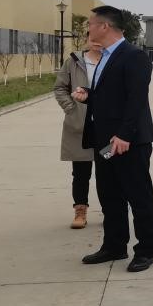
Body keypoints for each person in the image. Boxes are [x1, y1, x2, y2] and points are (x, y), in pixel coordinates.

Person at [75, 6, 153, 272]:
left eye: (90, 24)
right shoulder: (105, 56)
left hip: (128, 142)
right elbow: (113, 94)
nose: (88, 29)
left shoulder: (134, 56)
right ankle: (114, 245)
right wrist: (89, 95)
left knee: (138, 195)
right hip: (106, 142)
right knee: (109, 194)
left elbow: (136, 99)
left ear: (104, 26)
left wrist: (124, 134)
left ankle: (145, 250)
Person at [53, 38, 103, 229]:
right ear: (86, 39)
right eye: (92, 38)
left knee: (108, 173)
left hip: (106, 128)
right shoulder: (73, 62)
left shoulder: (113, 60)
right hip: (79, 126)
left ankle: (110, 210)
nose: (97, 42)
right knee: (81, 173)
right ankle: (80, 210)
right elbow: (60, 87)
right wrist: (71, 108)